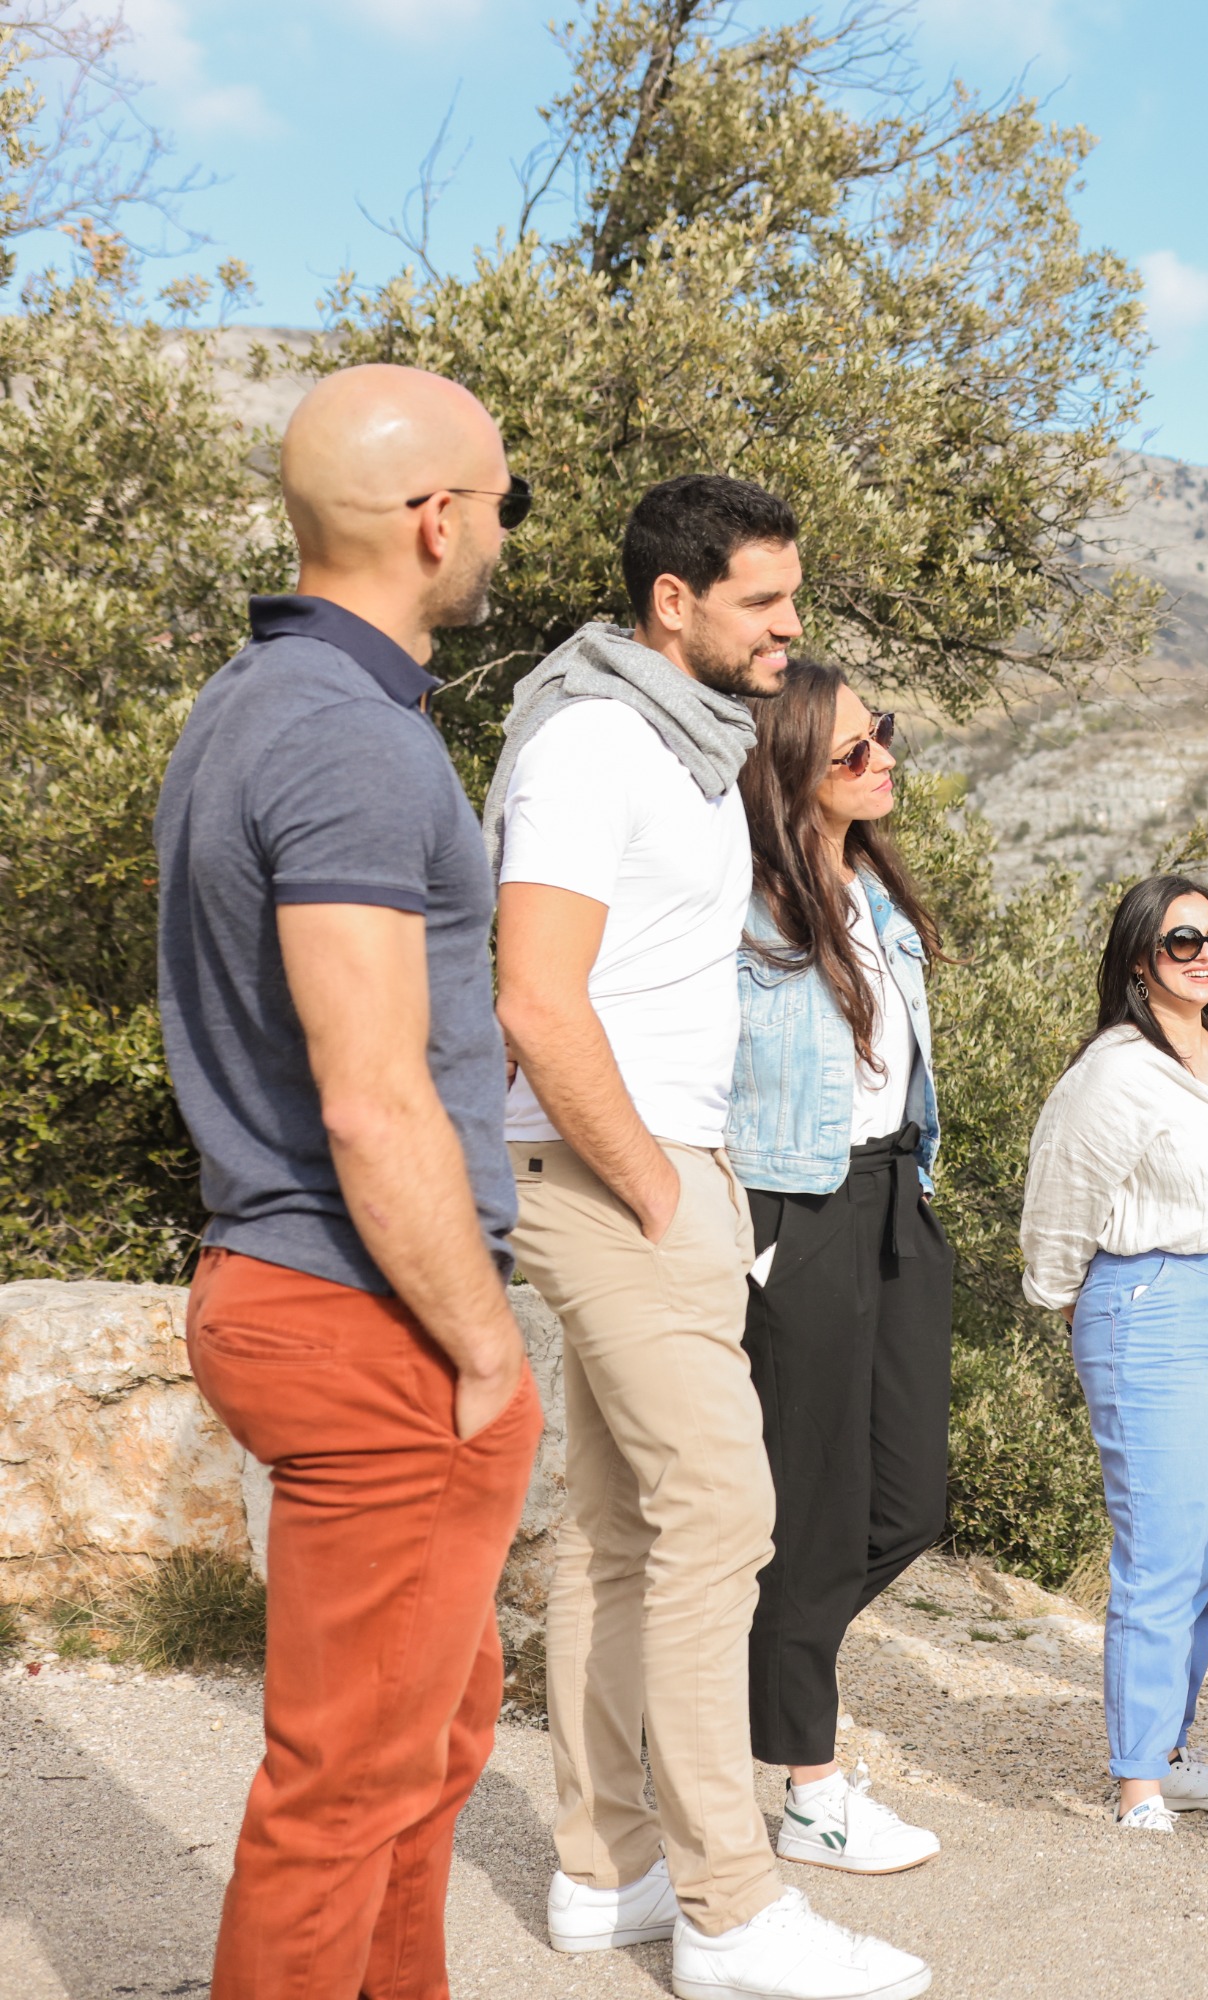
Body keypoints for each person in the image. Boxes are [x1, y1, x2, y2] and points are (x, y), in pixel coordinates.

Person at [490, 476, 928, 1999]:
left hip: (674, 1168)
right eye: (763, 603)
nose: (788, 631)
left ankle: (604, 1875)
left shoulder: (682, 745)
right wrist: (660, 1185)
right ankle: (734, 1912)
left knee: (619, 1534)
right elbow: (535, 995)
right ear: (672, 601)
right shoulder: (592, 741)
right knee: (724, 1518)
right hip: (624, 1176)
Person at [155, 362, 545, 2000]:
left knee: (432, 1732)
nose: (512, 537)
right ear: (433, 517)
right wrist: (484, 1345)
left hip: (312, 1288)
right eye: (506, 502)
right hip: (366, 1303)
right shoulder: (345, 744)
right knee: (346, 1787)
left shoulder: (264, 705)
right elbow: (375, 1103)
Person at [725, 659, 951, 1875]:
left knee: (910, 1499)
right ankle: (809, 1786)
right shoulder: (746, 901)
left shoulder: (875, 892)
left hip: (889, 1195)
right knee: (809, 1507)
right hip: (793, 1201)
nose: (884, 760)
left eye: (886, 736)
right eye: (858, 749)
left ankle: (739, 1672)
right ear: (796, 768)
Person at [1020, 875, 1208, 1831]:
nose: (1206, 954)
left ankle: (1171, 1750)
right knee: (1162, 1551)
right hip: (1150, 1300)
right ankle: (1138, 1780)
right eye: (1182, 942)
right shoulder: (1115, 1070)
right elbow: (1058, 1200)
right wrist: (1070, 1307)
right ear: (1140, 960)